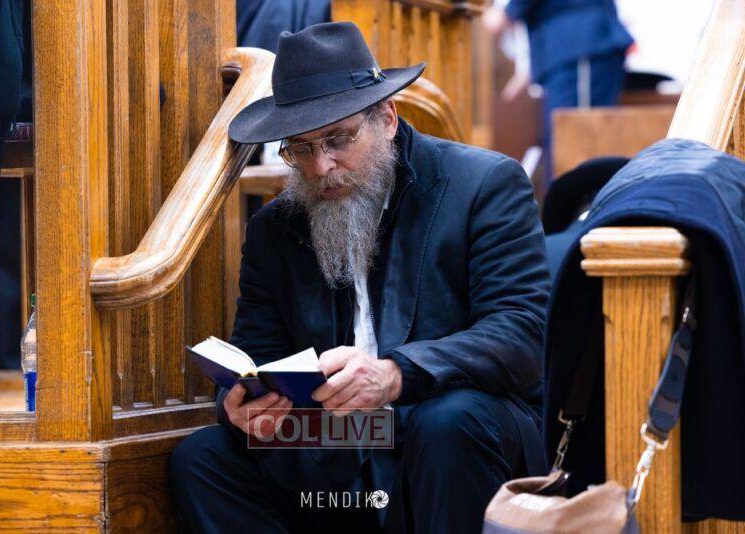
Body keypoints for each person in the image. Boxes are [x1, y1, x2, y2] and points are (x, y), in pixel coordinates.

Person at [169, 22, 551, 533]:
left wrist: (396, 373)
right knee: (203, 459)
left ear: (387, 119)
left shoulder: (484, 184)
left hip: (447, 424)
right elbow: (257, 350)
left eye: (337, 139)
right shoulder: (275, 228)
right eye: (300, 148)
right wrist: (239, 406)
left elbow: (520, 333)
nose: (321, 165)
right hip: (340, 443)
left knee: (448, 421)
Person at [483, 0, 633, 184]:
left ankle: (579, 201)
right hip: (569, 48)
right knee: (563, 139)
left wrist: (506, 12)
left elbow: (499, 19)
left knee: (577, 140)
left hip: (580, 43)